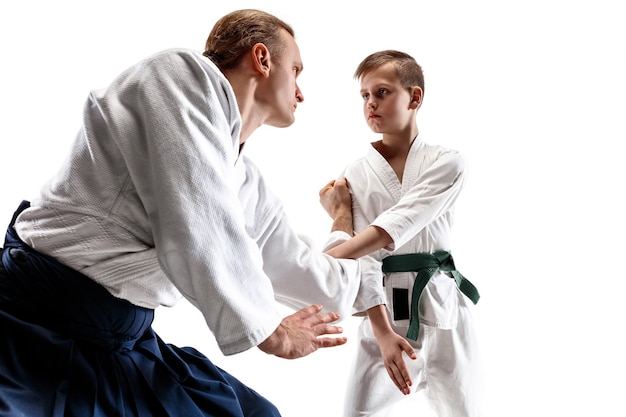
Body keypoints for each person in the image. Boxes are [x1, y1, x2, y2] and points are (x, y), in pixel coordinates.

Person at [0, 9, 361, 417]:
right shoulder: (177, 77)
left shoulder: (243, 181)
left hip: (122, 341)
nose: (301, 92)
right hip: (35, 319)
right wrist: (271, 332)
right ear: (262, 59)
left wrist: (343, 222)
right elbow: (195, 225)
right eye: (296, 70)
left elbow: (305, 272)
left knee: (256, 413)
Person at [319, 50, 482, 416]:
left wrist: (322, 260)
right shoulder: (356, 174)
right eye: (364, 96)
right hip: (385, 313)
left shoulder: (448, 162)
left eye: (382, 92)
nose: (370, 104)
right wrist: (380, 332)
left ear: (415, 96)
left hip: (445, 317)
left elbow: (392, 227)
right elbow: (366, 258)